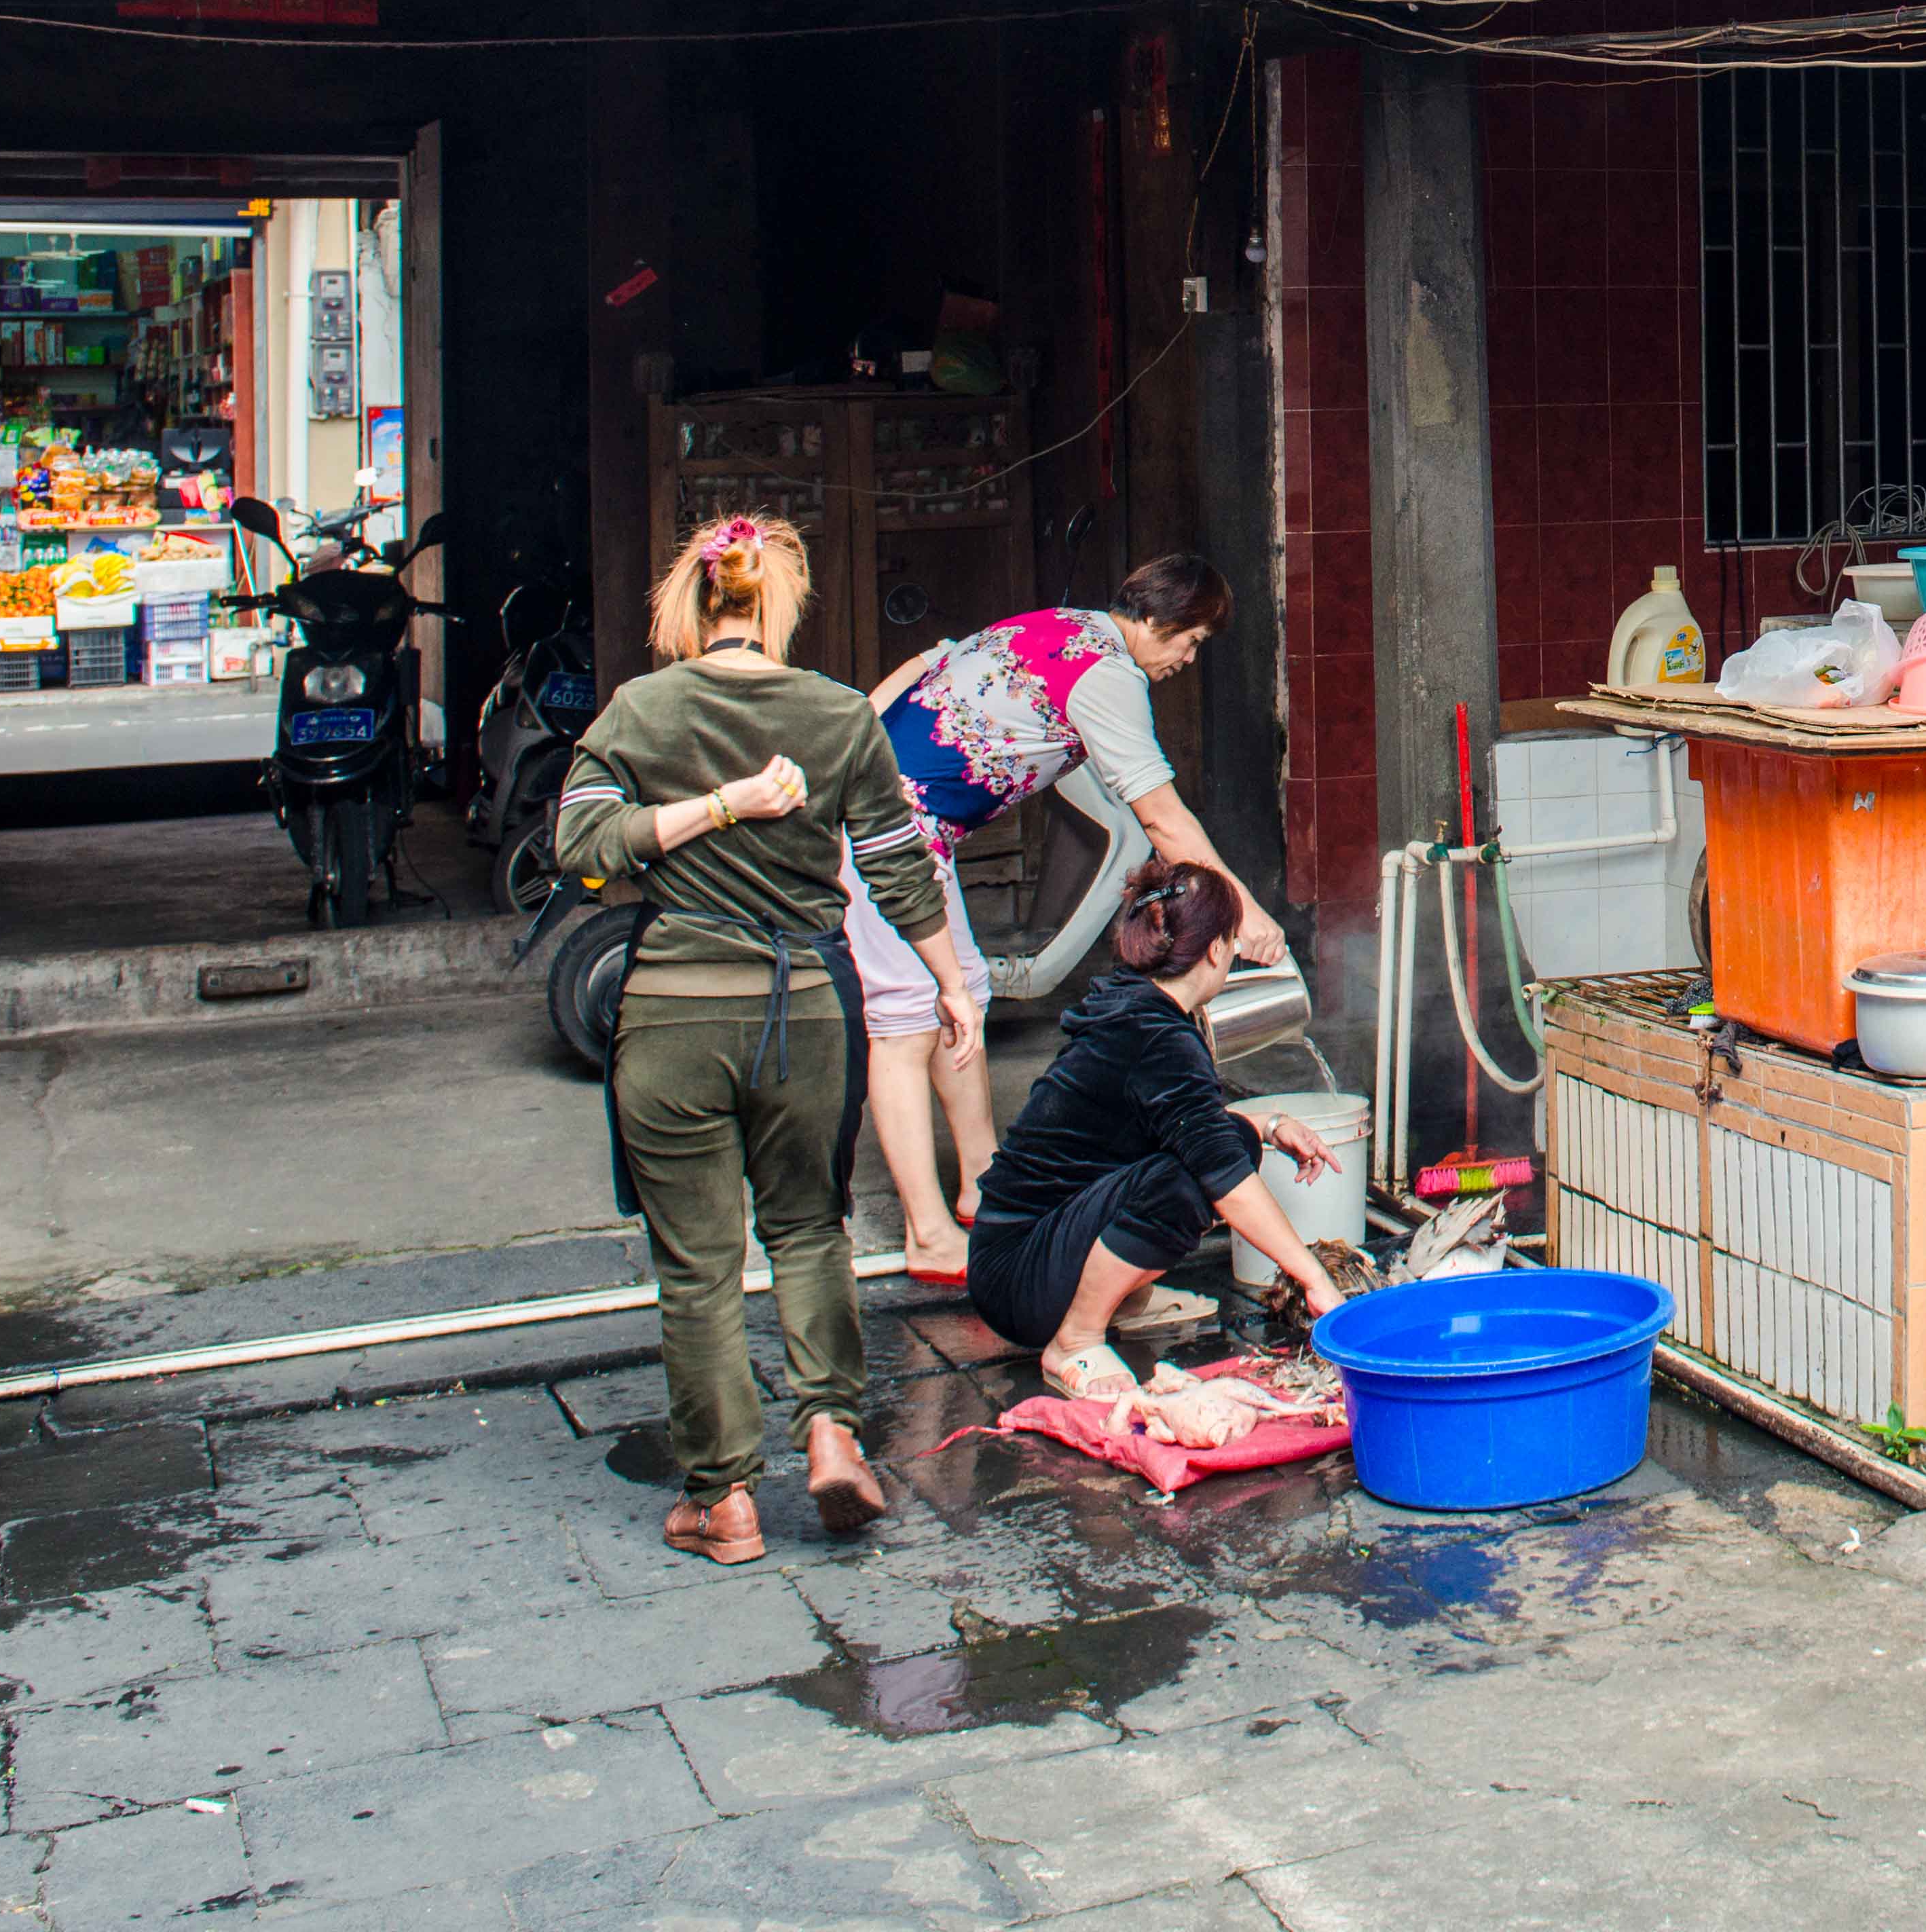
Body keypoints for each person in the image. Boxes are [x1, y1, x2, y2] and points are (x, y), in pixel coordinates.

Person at [555, 515, 974, 1567]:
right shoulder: (837, 714)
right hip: (808, 1018)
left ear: (692, 604)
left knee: (697, 1267)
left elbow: (579, 848)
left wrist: (696, 811)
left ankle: (723, 1501)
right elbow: (896, 864)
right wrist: (950, 982)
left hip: (673, 1018)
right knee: (809, 1230)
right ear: (781, 605)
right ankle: (832, 1433)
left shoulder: (640, 710)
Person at [849, 557, 1273, 1282]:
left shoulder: (1061, 626)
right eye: (1191, 641)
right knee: (905, 1021)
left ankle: (983, 1190)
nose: (1187, 660)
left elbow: (931, 661)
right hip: (882, 832)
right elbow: (1161, 815)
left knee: (966, 997)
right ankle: (926, 1234)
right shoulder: (1109, 675)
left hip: (909, 826)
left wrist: (861, 740)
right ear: (1158, 620)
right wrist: (1245, 907)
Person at [971, 855, 1352, 1411]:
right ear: (1218, 949)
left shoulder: (1134, 1001)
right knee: (1184, 1183)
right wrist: (1314, 1278)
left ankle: (1121, 1297)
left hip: (1027, 1248)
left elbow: (1189, 1126)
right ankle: (1075, 1338)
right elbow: (1221, 1177)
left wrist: (1269, 1126)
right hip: (1017, 1277)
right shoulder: (1158, 1037)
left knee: (1235, 1141)